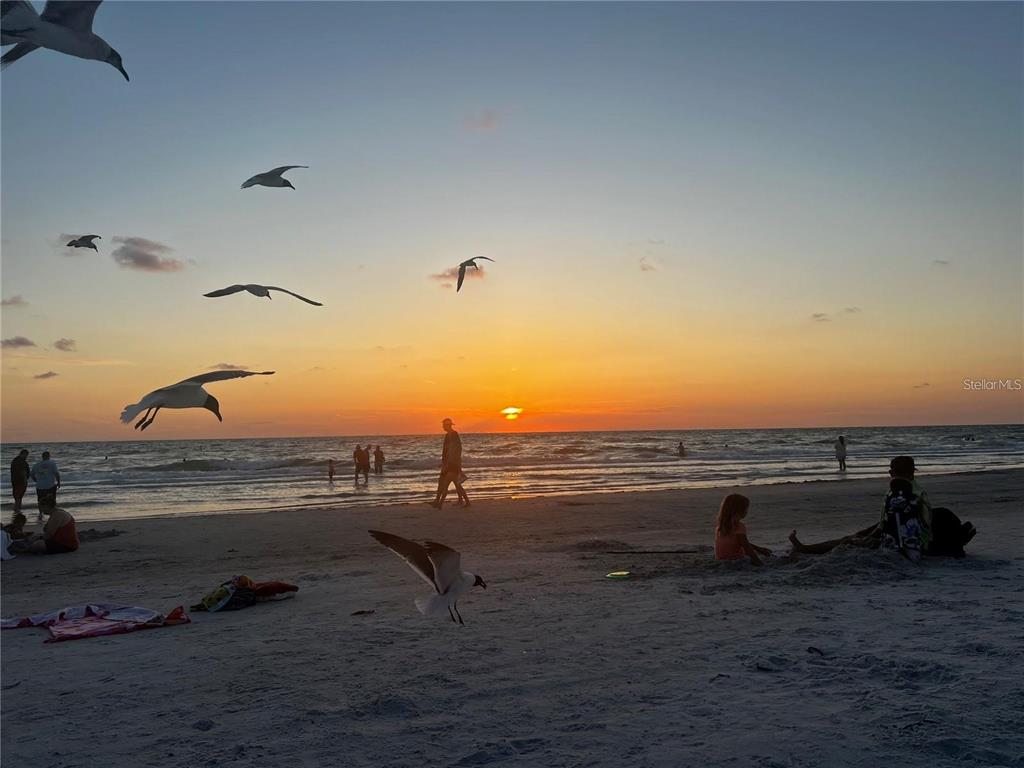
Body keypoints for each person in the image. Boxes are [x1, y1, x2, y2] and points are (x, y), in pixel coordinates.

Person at [789, 456, 936, 555]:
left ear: (891, 473)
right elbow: (892, 519)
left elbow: (893, 525)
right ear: (912, 473)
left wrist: (868, 537)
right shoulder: (916, 491)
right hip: (913, 538)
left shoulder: (901, 495)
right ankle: (806, 548)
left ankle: (807, 550)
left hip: (905, 543)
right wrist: (868, 531)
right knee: (856, 535)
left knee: (849, 541)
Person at [714, 493, 772, 565]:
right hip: (735, 561)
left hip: (720, 559)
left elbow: (739, 542)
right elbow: (746, 547)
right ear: (739, 511)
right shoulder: (739, 526)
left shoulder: (721, 526)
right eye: (746, 509)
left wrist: (759, 549)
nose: (746, 512)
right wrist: (758, 562)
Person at [432, 418, 469, 509]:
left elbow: (457, 449)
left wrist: (452, 463)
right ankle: (438, 501)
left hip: (452, 463)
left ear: (448, 426)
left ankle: (439, 502)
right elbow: (446, 450)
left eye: (444, 425)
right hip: (448, 462)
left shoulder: (454, 435)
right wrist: (444, 461)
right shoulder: (447, 435)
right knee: (449, 482)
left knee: (447, 482)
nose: (443, 427)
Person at [30, 451, 60, 519]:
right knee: (52, 500)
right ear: (49, 456)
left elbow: (31, 474)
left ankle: (40, 513)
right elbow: (56, 473)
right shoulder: (52, 463)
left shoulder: (37, 464)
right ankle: (52, 513)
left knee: (40, 500)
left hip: (40, 486)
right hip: (50, 485)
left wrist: (36, 480)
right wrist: (58, 482)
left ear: (42, 457)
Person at [10, 448, 29, 515]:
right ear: (23, 454)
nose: (26, 457)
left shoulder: (15, 460)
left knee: (17, 496)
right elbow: (23, 471)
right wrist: (25, 480)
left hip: (14, 480)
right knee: (19, 496)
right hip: (20, 481)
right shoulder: (21, 461)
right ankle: (17, 510)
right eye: (26, 455)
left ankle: (17, 509)